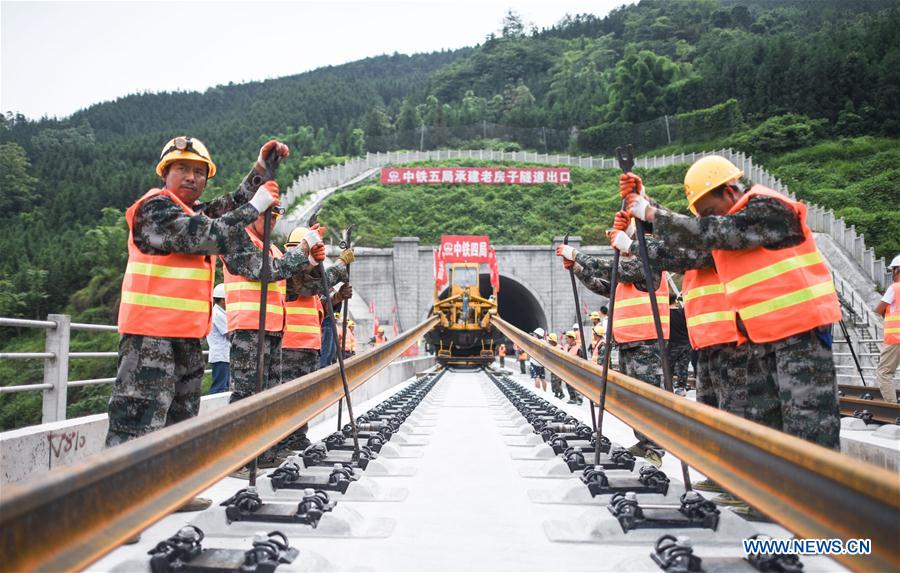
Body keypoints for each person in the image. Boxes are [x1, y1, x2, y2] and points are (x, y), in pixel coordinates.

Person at [108, 136, 286, 514]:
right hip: (149, 336)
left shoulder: (191, 211)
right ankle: (119, 507)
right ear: (165, 173)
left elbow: (223, 209)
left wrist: (260, 170)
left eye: (198, 172)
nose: (190, 177)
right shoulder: (154, 210)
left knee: (180, 419)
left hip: (187, 337)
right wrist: (256, 206)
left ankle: (173, 492)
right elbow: (208, 233)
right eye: (182, 169)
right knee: (138, 419)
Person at [622, 155, 842, 450]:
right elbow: (692, 244)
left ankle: (819, 495)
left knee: (809, 430)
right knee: (763, 430)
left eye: (710, 211)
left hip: (801, 334)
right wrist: (644, 217)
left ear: (729, 191)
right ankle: (767, 493)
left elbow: (715, 231)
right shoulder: (725, 235)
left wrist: (650, 214)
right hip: (758, 339)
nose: (708, 219)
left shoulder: (767, 207)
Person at [556, 242, 667, 467]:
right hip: (628, 343)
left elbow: (609, 269)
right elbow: (600, 285)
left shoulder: (646, 265)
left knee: (649, 397)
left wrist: (575, 254)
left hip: (647, 342)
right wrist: (577, 271)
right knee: (634, 399)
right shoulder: (625, 276)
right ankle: (644, 441)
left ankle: (655, 448)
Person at [874, 255, 900, 402]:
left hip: (895, 339)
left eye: (892, 270)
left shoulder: (895, 288)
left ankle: (894, 410)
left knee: (884, 372)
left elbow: (878, 309)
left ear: (897, 271)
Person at [207, 283, 230, 394]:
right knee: (219, 388)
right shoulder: (217, 314)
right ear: (222, 300)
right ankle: (216, 411)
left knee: (224, 387)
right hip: (221, 356)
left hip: (224, 355)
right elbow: (229, 333)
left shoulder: (220, 313)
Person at [667, 293, 691, 393]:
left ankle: (668, 386)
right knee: (683, 367)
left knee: (669, 366)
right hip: (686, 344)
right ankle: (681, 387)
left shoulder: (666, 315)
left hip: (672, 345)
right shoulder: (684, 313)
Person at [563, 331, 585, 405]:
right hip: (567, 368)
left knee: (577, 385)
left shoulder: (579, 347)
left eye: (567, 338)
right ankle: (572, 398)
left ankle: (579, 399)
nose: (566, 340)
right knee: (568, 384)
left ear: (572, 338)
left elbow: (583, 359)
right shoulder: (566, 346)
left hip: (576, 369)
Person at [546, 334, 564, 398]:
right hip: (553, 367)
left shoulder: (560, 348)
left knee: (557, 381)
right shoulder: (551, 347)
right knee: (553, 381)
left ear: (553, 341)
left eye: (549, 341)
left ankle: (561, 393)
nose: (548, 342)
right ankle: (556, 393)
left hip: (559, 367)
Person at [530, 327, 548, 392]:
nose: (533, 335)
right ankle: (545, 392)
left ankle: (538, 393)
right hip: (541, 363)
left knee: (536, 377)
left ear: (537, 335)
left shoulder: (535, 341)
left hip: (534, 362)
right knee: (542, 378)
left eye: (534, 334)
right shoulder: (545, 342)